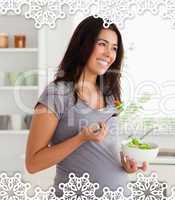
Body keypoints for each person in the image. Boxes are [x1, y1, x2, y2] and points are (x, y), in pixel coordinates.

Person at [25, 16, 147, 196]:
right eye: (102, 44)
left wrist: (124, 164)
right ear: (83, 44)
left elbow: (104, 149)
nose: (109, 54)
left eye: (114, 48)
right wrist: (80, 138)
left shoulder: (111, 95)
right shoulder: (56, 93)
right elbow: (33, 164)